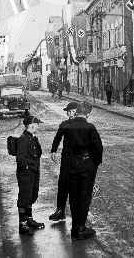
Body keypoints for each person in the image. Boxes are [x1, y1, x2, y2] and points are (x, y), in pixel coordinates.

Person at [66, 102, 103, 240]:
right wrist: (94, 164)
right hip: (86, 166)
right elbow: (98, 148)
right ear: (87, 114)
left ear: (77, 112)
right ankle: (81, 228)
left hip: (72, 165)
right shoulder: (90, 127)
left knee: (74, 197)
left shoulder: (68, 126)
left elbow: (67, 147)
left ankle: (75, 228)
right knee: (85, 197)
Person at [49, 101, 79, 222]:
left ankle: (78, 215)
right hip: (66, 159)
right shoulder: (64, 124)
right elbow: (57, 138)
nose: (70, 114)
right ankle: (60, 210)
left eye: (72, 112)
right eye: (68, 112)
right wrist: (53, 151)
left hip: (79, 160)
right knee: (62, 184)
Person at [16, 115, 45, 235]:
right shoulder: (24, 138)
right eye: (36, 125)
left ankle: (29, 219)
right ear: (31, 125)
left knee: (31, 195)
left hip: (33, 171)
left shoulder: (32, 137)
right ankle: (22, 224)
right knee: (24, 197)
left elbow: (37, 153)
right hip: (26, 173)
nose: (37, 127)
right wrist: (26, 168)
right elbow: (20, 158)